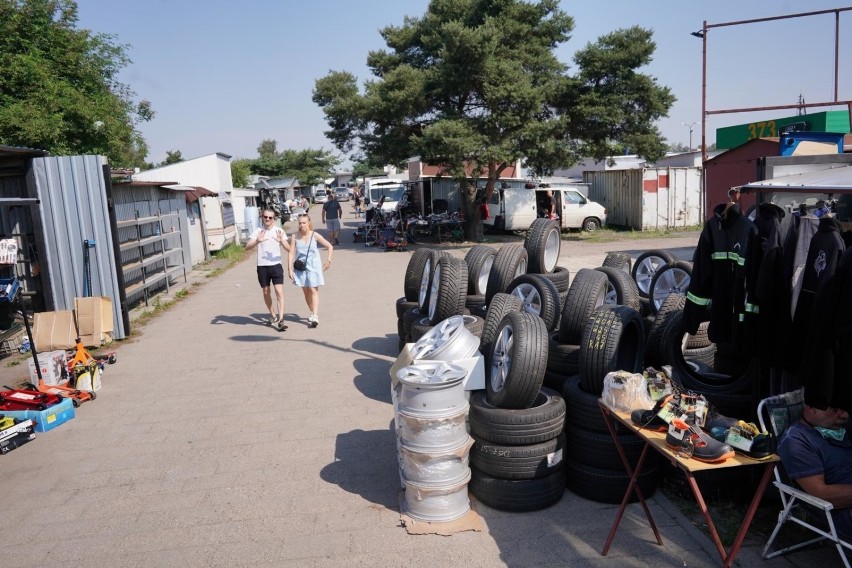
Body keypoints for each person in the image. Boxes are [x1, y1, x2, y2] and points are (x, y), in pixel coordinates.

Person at [777, 397, 852, 541]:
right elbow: (821, 494)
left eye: (845, 409)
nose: (844, 415)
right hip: (841, 510)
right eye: (836, 410)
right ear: (812, 407)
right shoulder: (796, 440)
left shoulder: (842, 427)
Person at [245, 209, 290, 331]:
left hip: (276, 265)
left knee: (279, 292)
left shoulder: (279, 231)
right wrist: (257, 241)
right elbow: (247, 247)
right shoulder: (258, 231)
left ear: (274, 219)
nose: (267, 219)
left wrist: (281, 241)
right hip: (262, 266)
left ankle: (281, 319)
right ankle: (273, 314)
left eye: (270, 217)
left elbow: (289, 248)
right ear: (262, 218)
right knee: (266, 292)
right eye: (265, 217)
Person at [288, 213, 333, 328]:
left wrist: (328, 260)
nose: (302, 225)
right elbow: (291, 253)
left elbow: (329, 246)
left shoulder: (315, 235)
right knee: (306, 292)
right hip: (300, 268)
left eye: (304, 223)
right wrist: (289, 269)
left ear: (309, 223)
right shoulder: (294, 236)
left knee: (313, 290)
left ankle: (315, 315)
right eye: (300, 223)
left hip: (314, 267)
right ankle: (312, 310)